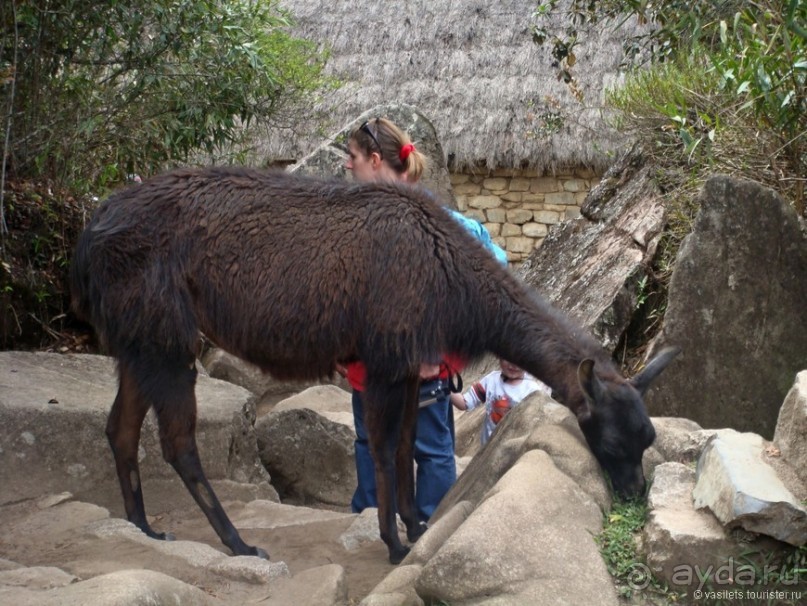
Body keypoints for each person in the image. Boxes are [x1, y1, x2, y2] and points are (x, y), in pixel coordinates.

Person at [341, 117, 507, 522]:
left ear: (376, 160)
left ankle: (420, 527)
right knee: (378, 444)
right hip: (375, 371)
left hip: (419, 375)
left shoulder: (439, 225)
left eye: (353, 157)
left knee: (422, 450)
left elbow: (493, 275)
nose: (347, 165)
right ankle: (380, 524)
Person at [450, 358, 551, 445]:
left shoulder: (532, 390)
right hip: (487, 451)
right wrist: (445, 386)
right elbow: (465, 403)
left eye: (520, 359)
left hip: (513, 452)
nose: (514, 364)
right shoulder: (491, 380)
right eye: (509, 357)